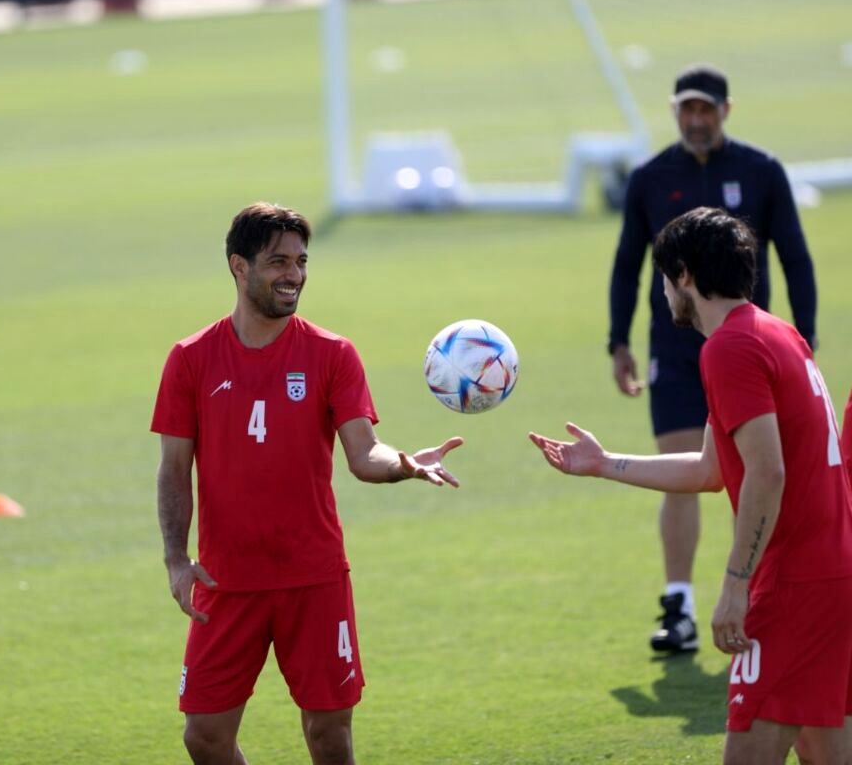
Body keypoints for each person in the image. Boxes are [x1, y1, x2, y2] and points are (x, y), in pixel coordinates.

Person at [536, 207, 852, 763]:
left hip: (796, 585)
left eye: (663, 278)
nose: (663, 293)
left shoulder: (730, 350)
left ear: (683, 275)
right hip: (834, 577)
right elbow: (712, 470)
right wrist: (605, 462)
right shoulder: (774, 333)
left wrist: (735, 582)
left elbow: (767, 471)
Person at [151, 202, 462, 765]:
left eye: (300, 261)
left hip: (313, 576)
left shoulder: (332, 354)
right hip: (227, 582)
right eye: (277, 262)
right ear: (238, 267)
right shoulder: (191, 359)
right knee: (204, 736)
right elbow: (174, 469)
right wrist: (176, 558)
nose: (293, 274)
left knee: (328, 735)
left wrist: (405, 464)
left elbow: (365, 453)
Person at [608, 63, 818, 654]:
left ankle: (751, 590)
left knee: (752, 470)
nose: (696, 119)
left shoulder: (761, 171)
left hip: (749, 348)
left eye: (706, 108)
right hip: (676, 349)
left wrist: (804, 337)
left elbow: (795, 256)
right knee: (692, 467)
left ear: (725, 110)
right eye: (686, 109)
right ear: (675, 112)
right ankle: (680, 604)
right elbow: (628, 262)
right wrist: (617, 340)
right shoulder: (650, 178)